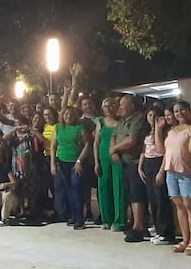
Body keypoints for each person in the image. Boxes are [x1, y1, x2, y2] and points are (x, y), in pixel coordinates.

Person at [157, 100, 191, 256]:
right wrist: (158, 130)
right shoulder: (171, 130)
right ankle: (185, 240)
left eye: (182, 110)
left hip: (188, 172)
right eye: (176, 111)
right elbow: (161, 150)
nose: (179, 113)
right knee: (179, 206)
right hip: (172, 172)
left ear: (189, 110)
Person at [109, 95, 150, 242]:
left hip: (136, 162)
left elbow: (132, 140)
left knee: (137, 195)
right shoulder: (122, 121)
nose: (119, 107)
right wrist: (113, 149)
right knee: (130, 194)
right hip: (125, 162)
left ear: (132, 106)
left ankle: (138, 227)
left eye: (122, 105)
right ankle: (135, 223)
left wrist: (114, 149)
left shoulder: (138, 119)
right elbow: (114, 135)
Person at [138, 106, 176, 245]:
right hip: (147, 164)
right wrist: (140, 166)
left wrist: (161, 171)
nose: (152, 118)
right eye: (149, 115)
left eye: (155, 115)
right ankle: (158, 228)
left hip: (159, 163)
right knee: (152, 199)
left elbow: (162, 151)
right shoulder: (147, 132)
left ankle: (167, 233)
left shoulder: (165, 132)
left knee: (162, 200)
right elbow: (144, 150)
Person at [50, 107, 91, 230]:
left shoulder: (80, 127)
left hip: (76, 162)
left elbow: (87, 144)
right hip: (62, 162)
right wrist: (53, 163)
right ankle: (73, 215)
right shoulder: (58, 127)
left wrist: (79, 161)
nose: (68, 116)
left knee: (76, 188)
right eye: (66, 114)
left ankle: (79, 218)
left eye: (71, 114)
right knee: (68, 189)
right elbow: (53, 146)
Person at [95, 97, 125, 231]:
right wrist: (96, 162)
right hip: (103, 158)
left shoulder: (122, 122)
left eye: (110, 105)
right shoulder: (100, 122)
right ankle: (106, 219)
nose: (107, 108)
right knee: (103, 187)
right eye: (105, 106)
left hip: (118, 157)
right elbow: (96, 143)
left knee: (119, 188)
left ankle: (119, 221)